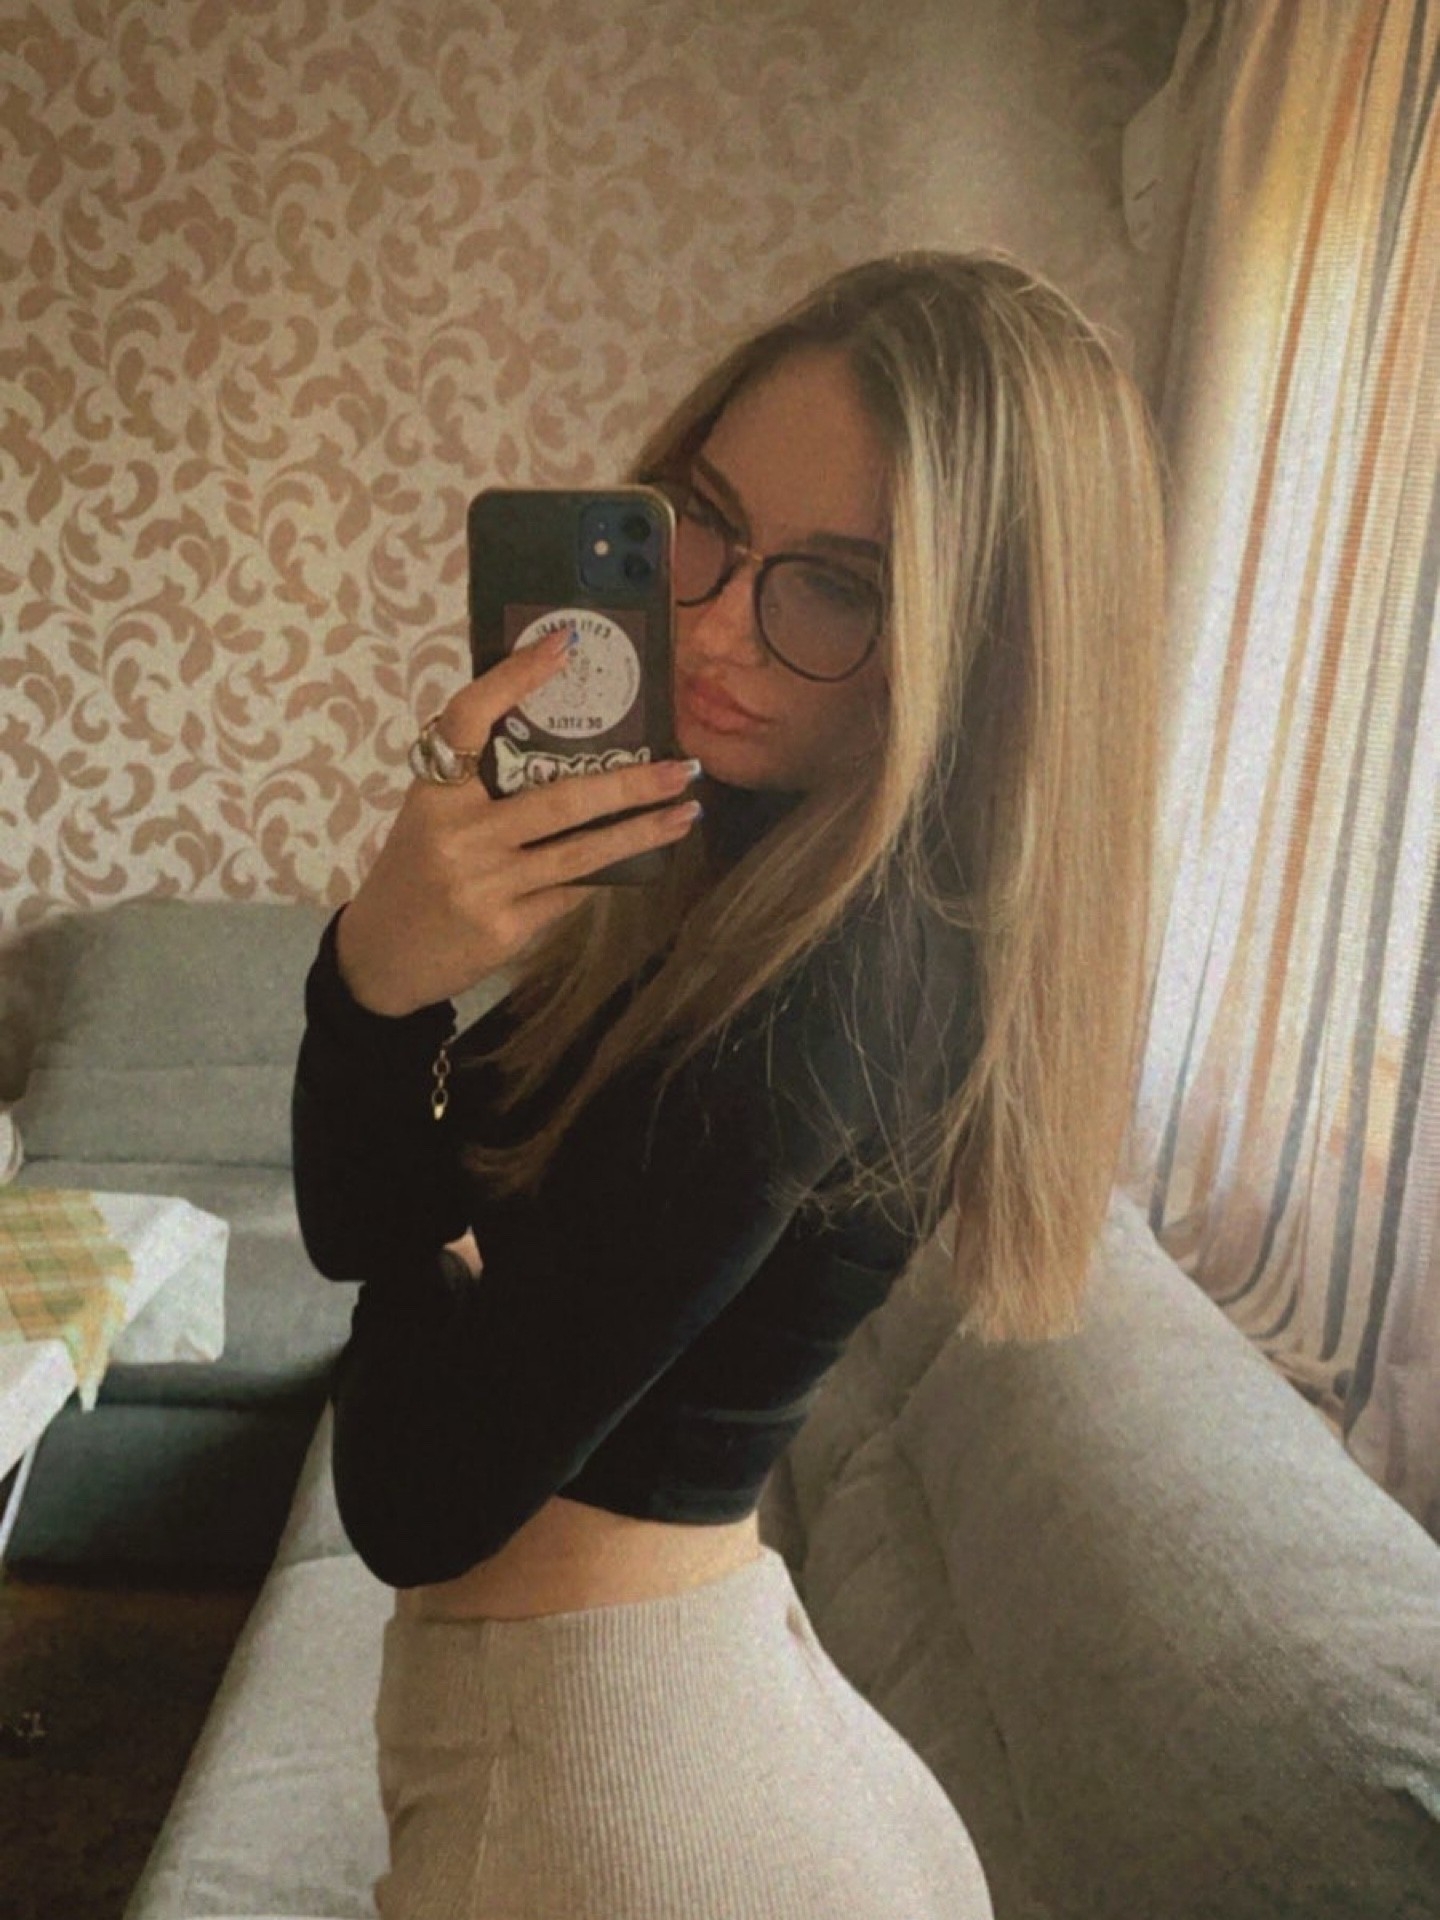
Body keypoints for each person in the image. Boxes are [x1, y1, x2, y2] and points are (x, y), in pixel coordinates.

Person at [291, 249, 1165, 1919]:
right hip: (680, 1718)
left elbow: (410, 1499)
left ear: (981, 648)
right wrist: (380, 982)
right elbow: (366, 1235)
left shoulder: (826, 992)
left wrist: (381, 1008)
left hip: (602, 1802)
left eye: (833, 587)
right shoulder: (744, 876)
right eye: (701, 519)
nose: (703, 623)